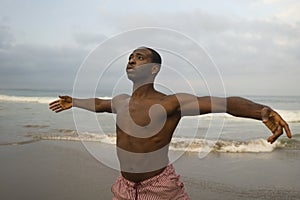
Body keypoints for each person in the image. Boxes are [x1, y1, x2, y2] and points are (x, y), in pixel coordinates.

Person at [49, 47, 292, 200]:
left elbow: (225, 103)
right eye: (130, 57)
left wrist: (263, 111)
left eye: (139, 57)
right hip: (123, 188)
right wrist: (75, 102)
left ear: (154, 69)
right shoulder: (121, 101)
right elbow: (100, 104)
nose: (132, 61)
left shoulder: (170, 103)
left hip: (160, 189)